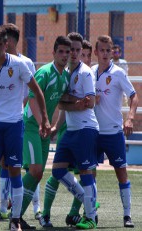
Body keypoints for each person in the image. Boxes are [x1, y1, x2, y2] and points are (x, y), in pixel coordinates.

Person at [0, 26, 49, 231]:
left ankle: (15, 221)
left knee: (14, 170)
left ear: (6, 45)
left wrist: (45, 119)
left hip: (14, 125)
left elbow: (36, 91)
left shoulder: (20, 65)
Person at [40, 38, 95, 228]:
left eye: (77, 50)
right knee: (57, 170)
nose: (73, 53)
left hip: (85, 129)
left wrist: (73, 103)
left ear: (81, 52)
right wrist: (72, 105)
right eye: (70, 49)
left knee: (87, 172)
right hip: (70, 130)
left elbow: (90, 102)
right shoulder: (65, 74)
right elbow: (61, 103)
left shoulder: (85, 73)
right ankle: (88, 202)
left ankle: (90, 217)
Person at [0, 23, 40, 225]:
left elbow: (32, 92)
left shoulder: (25, 63)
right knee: (4, 162)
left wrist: (17, 109)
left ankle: (36, 208)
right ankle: (3, 208)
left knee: (25, 165)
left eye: (3, 41)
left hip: (21, 121)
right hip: (2, 121)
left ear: (9, 42)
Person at [20, 36, 71, 227]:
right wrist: (43, 123)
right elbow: (32, 98)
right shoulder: (44, 72)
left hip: (43, 129)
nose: (65, 55)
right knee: (34, 170)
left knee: (38, 173)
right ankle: (15, 209)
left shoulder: (65, 77)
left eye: (68, 52)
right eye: (61, 51)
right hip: (32, 126)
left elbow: (64, 103)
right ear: (54, 53)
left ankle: (18, 213)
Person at [92, 35, 138, 228]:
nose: (105, 54)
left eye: (108, 50)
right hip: (92, 131)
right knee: (89, 173)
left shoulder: (118, 73)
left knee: (121, 172)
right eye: (101, 50)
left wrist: (130, 118)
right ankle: (91, 214)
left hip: (113, 132)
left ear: (112, 53)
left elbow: (133, 96)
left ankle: (127, 215)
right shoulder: (89, 72)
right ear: (96, 52)